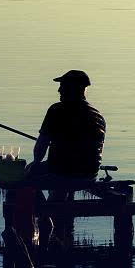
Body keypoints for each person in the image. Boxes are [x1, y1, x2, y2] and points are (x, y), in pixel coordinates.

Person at [28, 70, 106, 198]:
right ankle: (55, 212)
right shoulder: (98, 116)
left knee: (28, 174)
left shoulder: (56, 110)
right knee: (61, 168)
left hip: (61, 173)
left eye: (63, 86)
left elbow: (41, 146)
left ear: (74, 89)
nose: (59, 90)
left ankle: (44, 213)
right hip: (89, 175)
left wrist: (35, 165)